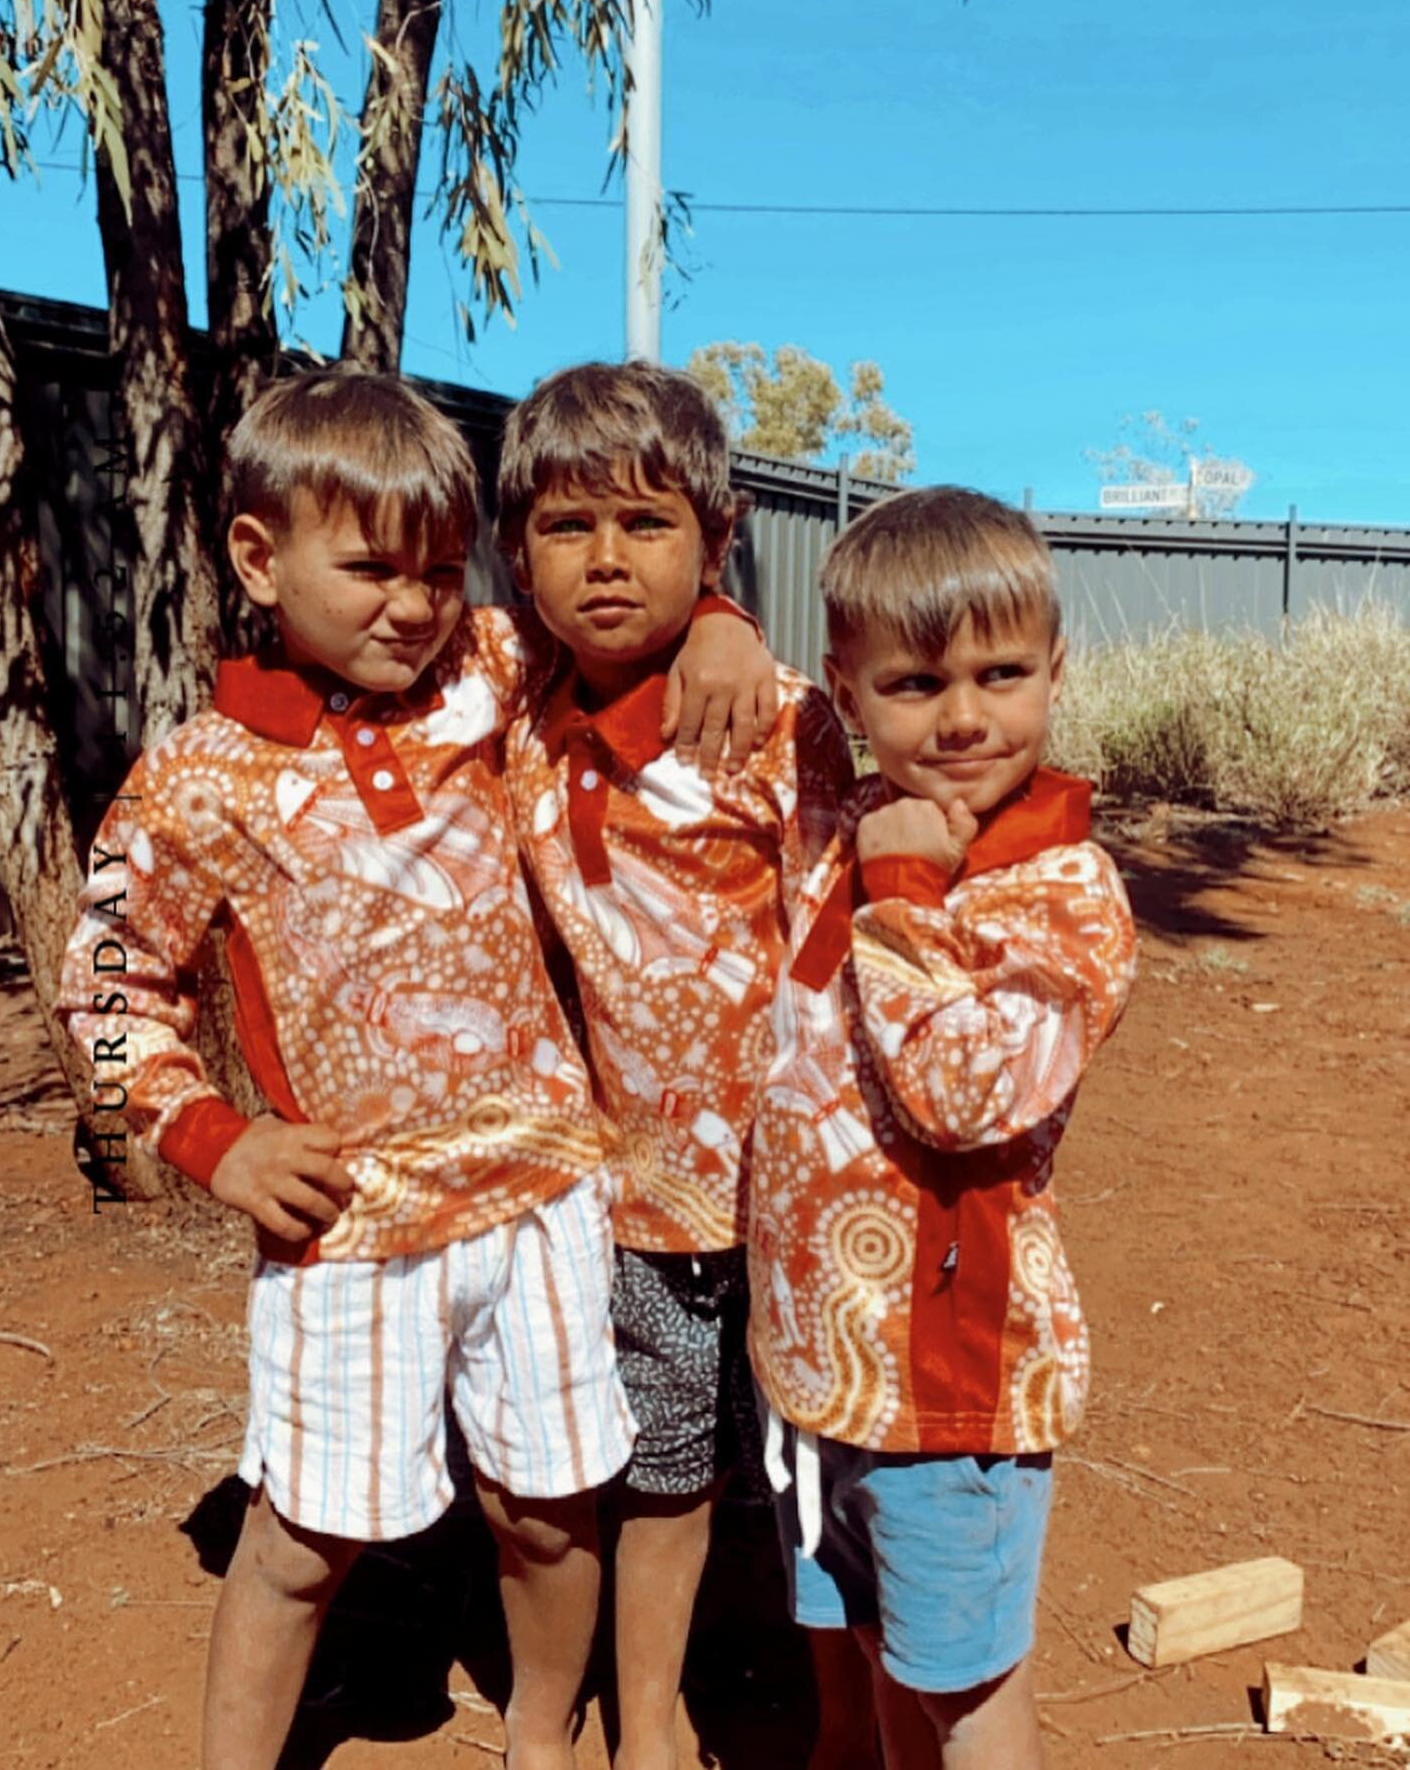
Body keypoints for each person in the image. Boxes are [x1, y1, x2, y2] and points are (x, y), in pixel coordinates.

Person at [55, 369, 770, 1770]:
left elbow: (611, 620)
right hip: (353, 1222)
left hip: (549, 1194)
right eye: (371, 568)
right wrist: (215, 1142)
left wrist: (730, 623)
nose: (414, 604)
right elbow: (107, 976)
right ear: (260, 560)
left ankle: (543, 1735)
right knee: (304, 1538)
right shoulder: (201, 781)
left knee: (551, 1508)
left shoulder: (489, 677)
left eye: (442, 570)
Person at [494, 360, 854, 1770]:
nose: (603, 562)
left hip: (800, 1188)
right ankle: (646, 1727)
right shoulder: (514, 711)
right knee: (666, 1475)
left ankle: (846, 1731)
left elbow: (841, 932)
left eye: (647, 527)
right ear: (516, 550)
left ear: (719, 533)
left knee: (825, 1478)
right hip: (638, 1199)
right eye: (567, 527)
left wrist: (724, 622)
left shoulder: (779, 721)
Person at [748, 486, 1138, 1770]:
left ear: (1056, 671)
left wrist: (906, 891)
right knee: (878, 1654)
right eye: (916, 683)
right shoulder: (852, 820)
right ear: (849, 694)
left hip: (946, 1393)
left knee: (968, 1700)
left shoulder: (1069, 891)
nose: (965, 715)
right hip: (821, 1370)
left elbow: (965, 1094)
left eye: (1003, 672)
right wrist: (708, 620)